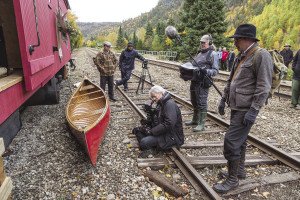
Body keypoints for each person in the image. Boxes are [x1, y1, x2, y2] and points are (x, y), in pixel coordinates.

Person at [213, 24, 273, 193]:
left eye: (237, 39)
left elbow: (264, 86)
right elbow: (231, 80)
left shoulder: (261, 56)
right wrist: (223, 99)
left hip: (246, 108)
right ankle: (239, 171)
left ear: (247, 39)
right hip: (236, 106)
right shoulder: (242, 56)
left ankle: (232, 180)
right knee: (241, 141)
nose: (235, 43)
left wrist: (254, 110)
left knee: (231, 142)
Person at [132, 85, 184, 158]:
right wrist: (149, 112)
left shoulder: (169, 104)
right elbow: (156, 121)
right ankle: (155, 146)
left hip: (172, 136)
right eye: (152, 97)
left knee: (144, 142)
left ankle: (153, 149)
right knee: (138, 131)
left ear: (160, 93)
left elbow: (169, 123)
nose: (153, 99)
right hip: (163, 132)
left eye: (154, 96)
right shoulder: (160, 103)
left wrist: (152, 131)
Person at [185, 34, 219, 132]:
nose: (202, 44)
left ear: (209, 42)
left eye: (204, 42)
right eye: (201, 42)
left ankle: (201, 124)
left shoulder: (213, 54)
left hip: (203, 83)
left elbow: (216, 71)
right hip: (194, 81)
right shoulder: (199, 53)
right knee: (194, 101)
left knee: (202, 103)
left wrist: (206, 71)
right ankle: (195, 120)